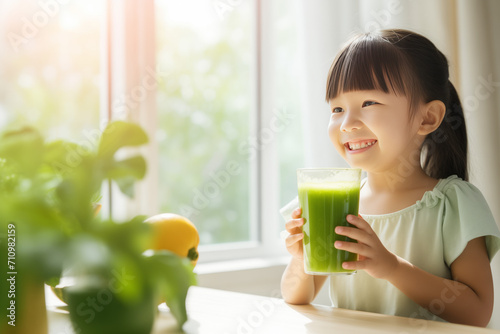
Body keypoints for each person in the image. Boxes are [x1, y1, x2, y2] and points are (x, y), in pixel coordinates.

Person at [280, 29, 500, 327]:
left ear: (427, 118)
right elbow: (295, 297)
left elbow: (478, 313)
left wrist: (392, 267)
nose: (346, 124)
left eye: (368, 103)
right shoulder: (334, 198)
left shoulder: (452, 203)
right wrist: (300, 259)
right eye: (337, 109)